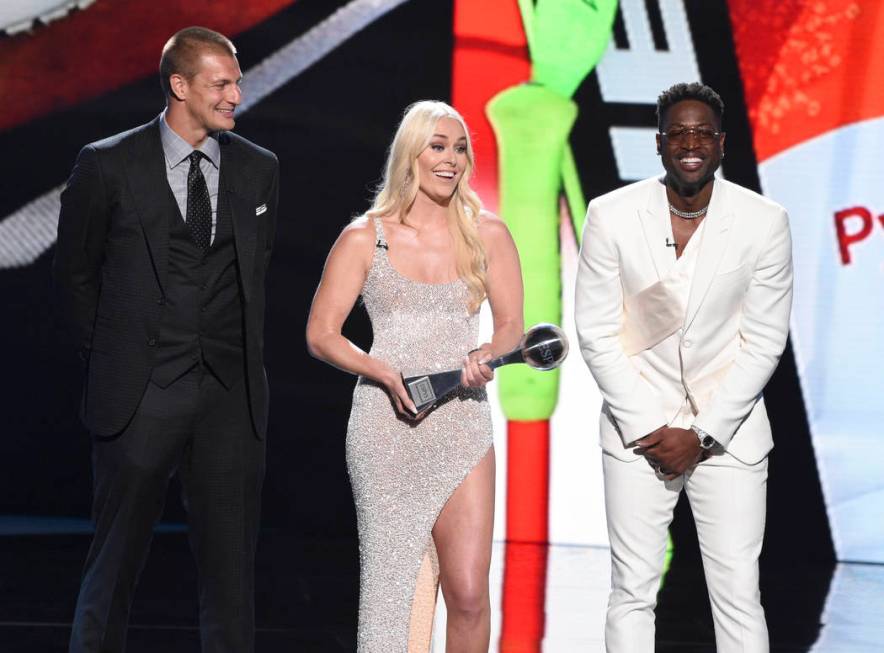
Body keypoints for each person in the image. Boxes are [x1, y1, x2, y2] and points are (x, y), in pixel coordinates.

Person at [53, 27, 279, 653]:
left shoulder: (259, 170)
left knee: (231, 579)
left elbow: (253, 280)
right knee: (115, 565)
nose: (236, 93)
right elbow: (74, 276)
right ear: (180, 86)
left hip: (229, 399)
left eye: (237, 80)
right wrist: (111, 364)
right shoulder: (108, 164)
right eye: (221, 83)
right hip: (139, 394)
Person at [575, 82, 793, 652]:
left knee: (739, 594)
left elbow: (765, 340)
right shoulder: (611, 215)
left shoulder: (763, 221)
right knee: (632, 590)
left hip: (729, 435)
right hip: (637, 431)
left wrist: (702, 435)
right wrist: (650, 426)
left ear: (722, 145)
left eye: (702, 133)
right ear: (659, 143)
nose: (690, 143)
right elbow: (596, 332)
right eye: (678, 133)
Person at [306, 100, 523, 652]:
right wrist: (378, 369)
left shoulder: (487, 233)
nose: (450, 159)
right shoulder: (366, 237)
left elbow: (512, 329)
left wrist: (487, 356)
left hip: (460, 424)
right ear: (411, 154)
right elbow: (322, 334)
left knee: (469, 592)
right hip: (387, 428)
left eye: (459, 147)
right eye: (438, 146)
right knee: (391, 591)